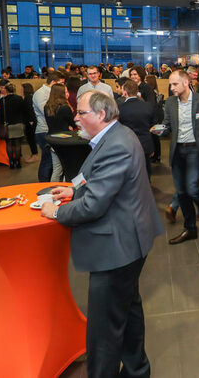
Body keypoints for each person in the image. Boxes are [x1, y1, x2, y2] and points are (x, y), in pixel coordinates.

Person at [40, 91, 164, 378]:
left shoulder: (115, 144)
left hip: (118, 249)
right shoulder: (115, 136)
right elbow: (98, 180)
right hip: (129, 242)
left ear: (101, 115)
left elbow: (94, 205)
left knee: (104, 331)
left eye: (81, 112)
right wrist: (74, 190)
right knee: (128, 312)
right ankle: (137, 371)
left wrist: (55, 212)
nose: (75, 118)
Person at [154, 70, 199, 244]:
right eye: (170, 84)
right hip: (177, 151)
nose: (171, 87)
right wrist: (160, 130)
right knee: (182, 192)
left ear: (185, 82)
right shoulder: (169, 103)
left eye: (175, 84)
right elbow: (168, 126)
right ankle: (190, 229)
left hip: (195, 151)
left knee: (191, 189)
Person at [118, 79, 155, 180]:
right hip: (146, 143)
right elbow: (152, 127)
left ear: (124, 92)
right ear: (136, 91)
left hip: (127, 145)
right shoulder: (147, 106)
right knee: (146, 169)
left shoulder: (120, 109)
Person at [33, 71, 66, 182]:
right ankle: (43, 184)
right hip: (44, 130)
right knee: (47, 161)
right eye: (61, 83)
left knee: (53, 163)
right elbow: (47, 112)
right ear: (53, 82)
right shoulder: (41, 93)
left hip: (52, 130)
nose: (62, 86)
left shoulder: (49, 93)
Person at [0, 83, 26, 169]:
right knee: (18, 144)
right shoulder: (19, 98)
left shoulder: (3, 100)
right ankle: (18, 162)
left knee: (9, 144)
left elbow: (0, 115)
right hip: (18, 124)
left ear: (6, 90)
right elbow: (23, 111)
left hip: (8, 125)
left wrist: (0, 124)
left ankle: (11, 162)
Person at [145, 75, 164, 163]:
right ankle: (157, 155)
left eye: (145, 80)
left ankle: (156, 155)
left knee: (154, 137)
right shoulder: (155, 91)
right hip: (157, 116)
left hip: (155, 117)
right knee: (155, 138)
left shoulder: (151, 92)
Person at [21, 82, 39, 162]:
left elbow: (29, 110)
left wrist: (31, 120)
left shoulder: (28, 98)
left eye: (22, 88)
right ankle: (33, 154)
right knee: (30, 138)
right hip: (30, 120)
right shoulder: (31, 97)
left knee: (31, 138)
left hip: (30, 121)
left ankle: (34, 155)